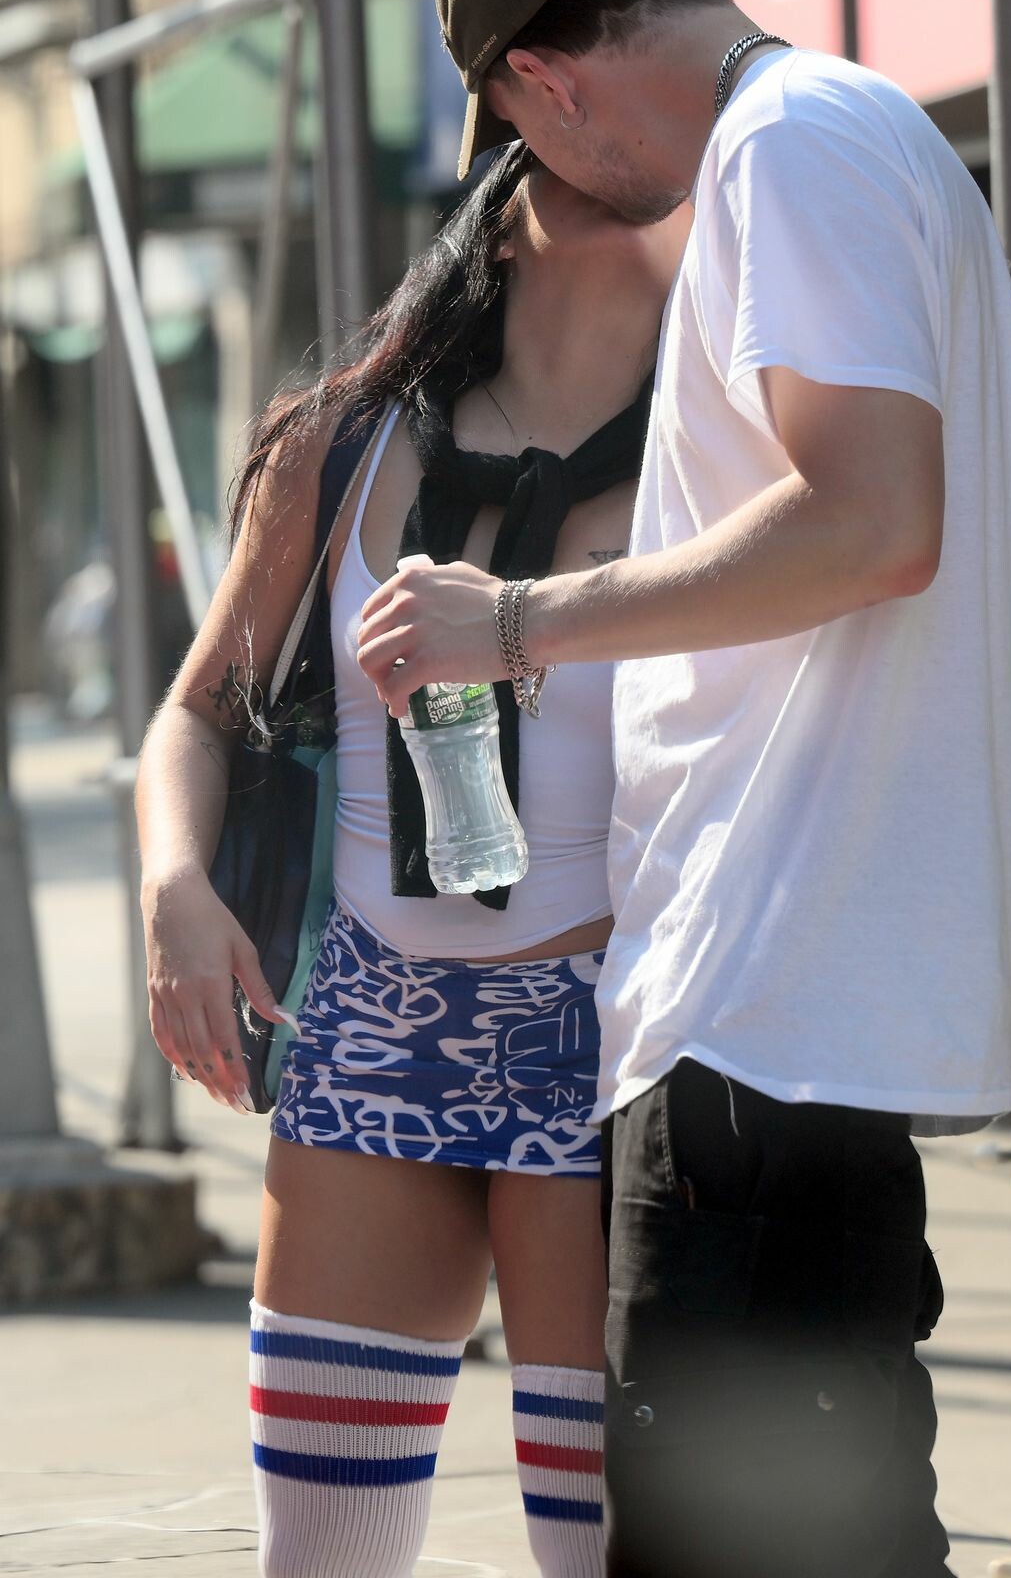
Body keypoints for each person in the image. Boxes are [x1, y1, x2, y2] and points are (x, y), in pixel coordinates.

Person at [357, 0, 1011, 1578]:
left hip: (768, 1005)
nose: (556, 181)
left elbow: (871, 524)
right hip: (781, 1007)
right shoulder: (843, 129)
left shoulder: (787, 146)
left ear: (543, 79)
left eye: (528, 141)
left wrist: (513, 619)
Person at [135, 140, 689, 1578]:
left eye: (670, 173)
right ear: (495, 226)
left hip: (608, 1036)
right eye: (575, 165)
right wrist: (174, 889)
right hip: (375, 1023)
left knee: (599, 1551)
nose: (637, 178)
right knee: (321, 1556)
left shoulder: (717, 460)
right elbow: (198, 712)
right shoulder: (344, 444)